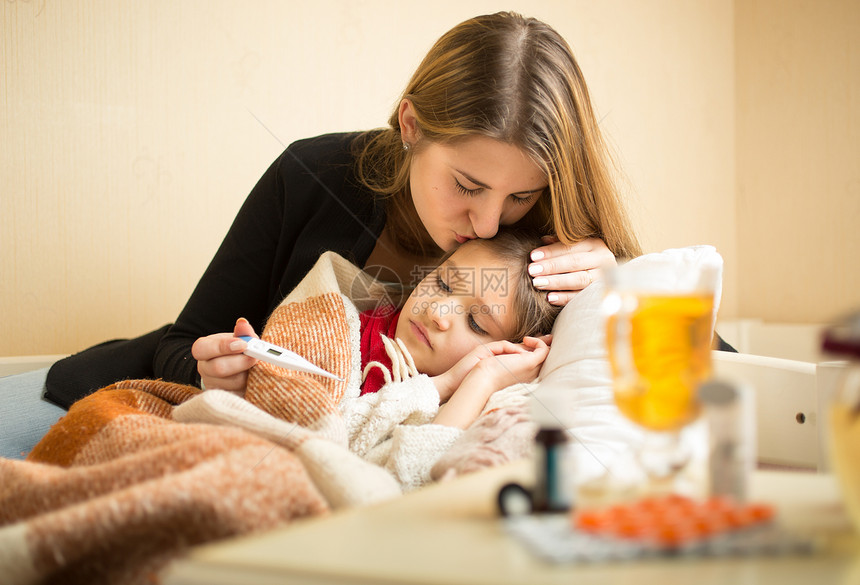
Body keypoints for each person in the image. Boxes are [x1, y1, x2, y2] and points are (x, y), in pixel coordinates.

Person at [0, 11, 641, 459]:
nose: (490, 223)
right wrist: (215, 373)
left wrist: (618, 284)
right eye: (468, 186)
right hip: (133, 392)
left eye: (520, 196)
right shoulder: (315, 173)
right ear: (411, 125)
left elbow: (713, 363)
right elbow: (180, 343)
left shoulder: (556, 243)